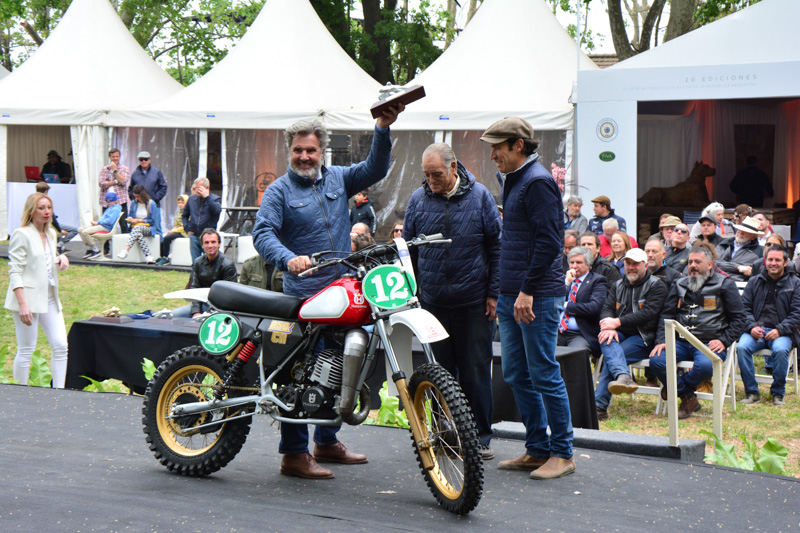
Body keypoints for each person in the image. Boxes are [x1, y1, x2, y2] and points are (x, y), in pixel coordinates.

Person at [252, 104, 404, 480]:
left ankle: (327, 440)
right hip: (303, 295)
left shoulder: (338, 178)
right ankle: (293, 454)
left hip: (342, 292)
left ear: (322, 152)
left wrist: (382, 128)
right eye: (298, 150)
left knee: (339, 365)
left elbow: (376, 169)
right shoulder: (279, 191)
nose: (304, 156)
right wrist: (288, 259)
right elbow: (262, 233)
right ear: (289, 151)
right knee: (297, 374)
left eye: (311, 150)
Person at [480, 116, 575, 480]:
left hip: (534, 296)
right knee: (518, 373)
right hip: (514, 294)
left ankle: (563, 453)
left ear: (518, 145)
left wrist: (527, 291)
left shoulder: (536, 182)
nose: (492, 155)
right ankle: (537, 449)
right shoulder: (518, 179)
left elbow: (551, 243)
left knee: (543, 372)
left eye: (497, 147)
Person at [402, 142, 501, 460]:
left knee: (474, 372)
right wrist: (412, 295)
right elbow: (409, 251)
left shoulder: (481, 197)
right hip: (433, 304)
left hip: (474, 302)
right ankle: (444, 434)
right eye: (427, 175)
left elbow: (496, 248)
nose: (431, 181)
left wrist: (493, 293)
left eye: (437, 174)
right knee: (438, 372)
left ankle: (479, 438)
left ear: (454, 167)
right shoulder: (418, 199)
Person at [649, 246, 747, 419]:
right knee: (657, 361)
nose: (692, 265)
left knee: (705, 366)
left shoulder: (725, 284)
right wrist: (662, 339)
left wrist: (724, 341)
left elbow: (740, 319)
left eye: (697, 262)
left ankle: (677, 388)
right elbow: (667, 314)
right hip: (680, 341)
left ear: (709, 264)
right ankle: (688, 396)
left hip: (709, 342)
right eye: (690, 262)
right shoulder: (679, 283)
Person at [4, 193, 70, 387]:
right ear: (31, 211)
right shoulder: (21, 233)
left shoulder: (50, 233)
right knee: (26, 349)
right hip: (27, 299)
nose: (46, 211)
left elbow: (45, 258)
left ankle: (59, 391)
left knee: (60, 346)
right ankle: (19, 393)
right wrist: (23, 304)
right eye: (41, 208)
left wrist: (60, 258)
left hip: (50, 297)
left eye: (49, 207)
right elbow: (15, 270)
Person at [595, 248, 668, 420]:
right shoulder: (618, 285)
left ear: (645, 265)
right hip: (619, 333)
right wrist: (609, 326)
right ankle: (623, 376)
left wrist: (617, 322)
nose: (631, 267)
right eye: (628, 263)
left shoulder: (657, 285)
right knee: (606, 339)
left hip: (644, 337)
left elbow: (648, 314)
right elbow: (607, 308)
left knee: (613, 358)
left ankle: (598, 406)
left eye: (635, 263)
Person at [737, 245, 800, 407]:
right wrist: (751, 327)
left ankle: (778, 393)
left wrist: (780, 330)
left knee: (780, 350)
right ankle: (752, 392)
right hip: (755, 330)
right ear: (765, 261)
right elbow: (743, 309)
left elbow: (797, 314)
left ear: (785, 262)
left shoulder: (795, 283)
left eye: (777, 260)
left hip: (782, 332)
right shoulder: (754, 281)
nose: (773, 263)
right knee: (742, 348)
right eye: (770, 259)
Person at [173, 229, 238, 318]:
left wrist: (211, 314)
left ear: (219, 244)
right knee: (173, 315)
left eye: (213, 242)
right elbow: (194, 288)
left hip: (220, 309)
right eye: (206, 242)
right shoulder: (198, 262)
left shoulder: (227, 265)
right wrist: (196, 312)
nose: (210, 245)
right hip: (201, 305)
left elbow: (229, 296)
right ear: (202, 245)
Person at [556, 246, 607, 359]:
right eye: (572, 262)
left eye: (579, 262)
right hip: (558, 332)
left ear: (588, 264)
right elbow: (554, 300)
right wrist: (566, 283)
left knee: (574, 356)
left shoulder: (597, 281)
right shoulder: (563, 280)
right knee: (543, 350)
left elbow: (593, 307)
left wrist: (566, 306)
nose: (574, 266)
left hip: (581, 334)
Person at [117, 185, 162, 263]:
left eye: (138, 196)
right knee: (138, 233)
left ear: (142, 195)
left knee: (137, 229)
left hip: (148, 228)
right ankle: (148, 255)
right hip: (135, 227)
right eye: (135, 196)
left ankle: (126, 250)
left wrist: (139, 220)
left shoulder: (151, 204)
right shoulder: (134, 203)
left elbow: (152, 221)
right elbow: (130, 215)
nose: (136, 198)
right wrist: (130, 219)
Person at [182, 177, 222, 263]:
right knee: (195, 263)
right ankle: (195, 276)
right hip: (194, 235)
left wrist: (207, 197)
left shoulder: (215, 199)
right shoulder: (192, 199)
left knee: (210, 262)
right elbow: (184, 215)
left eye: (199, 188)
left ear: (207, 188)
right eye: (195, 188)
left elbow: (217, 211)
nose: (196, 190)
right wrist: (187, 229)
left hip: (208, 237)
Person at [715, 215, 764, 282]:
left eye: (746, 231)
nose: (741, 232)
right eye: (740, 229)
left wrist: (725, 266)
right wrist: (739, 267)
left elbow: (749, 272)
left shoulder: (758, 252)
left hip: (737, 284)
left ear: (754, 236)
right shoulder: (724, 244)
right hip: (715, 282)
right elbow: (712, 263)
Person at [35, 182, 77, 254]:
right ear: (46, 191)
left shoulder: (33, 200)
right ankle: (60, 245)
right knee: (75, 230)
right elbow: (53, 219)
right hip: (49, 224)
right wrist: (60, 230)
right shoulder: (46, 201)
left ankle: (59, 247)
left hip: (41, 224)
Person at [78, 192, 123, 259]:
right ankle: (91, 248)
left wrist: (98, 223)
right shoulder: (110, 208)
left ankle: (95, 250)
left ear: (115, 201)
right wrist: (97, 222)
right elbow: (104, 219)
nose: (108, 203)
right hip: (101, 225)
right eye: (107, 201)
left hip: (106, 227)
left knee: (85, 232)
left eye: (110, 201)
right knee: (80, 229)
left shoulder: (115, 209)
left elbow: (110, 221)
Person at [99, 148, 130, 234]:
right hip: (107, 201)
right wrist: (116, 181)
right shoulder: (104, 169)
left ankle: (126, 245)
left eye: (117, 156)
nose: (115, 158)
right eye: (113, 157)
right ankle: (106, 247)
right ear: (110, 157)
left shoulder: (124, 168)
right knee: (104, 224)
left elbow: (123, 181)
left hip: (120, 200)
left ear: (120, 157)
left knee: (123, 224)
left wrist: (115, 170)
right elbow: (102, 183)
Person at [157, 195, 189, 265]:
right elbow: (176, 225)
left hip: (184, 232)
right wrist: (172, 231)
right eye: (179, 202)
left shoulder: (189, 213)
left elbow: (185, 226)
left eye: (182, 203)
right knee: (163, 239)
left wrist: (174, 231)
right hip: (178, 231)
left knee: (167, 238)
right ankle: (162, 256)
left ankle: (166, 258)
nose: (180, 204)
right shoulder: (179, 212)